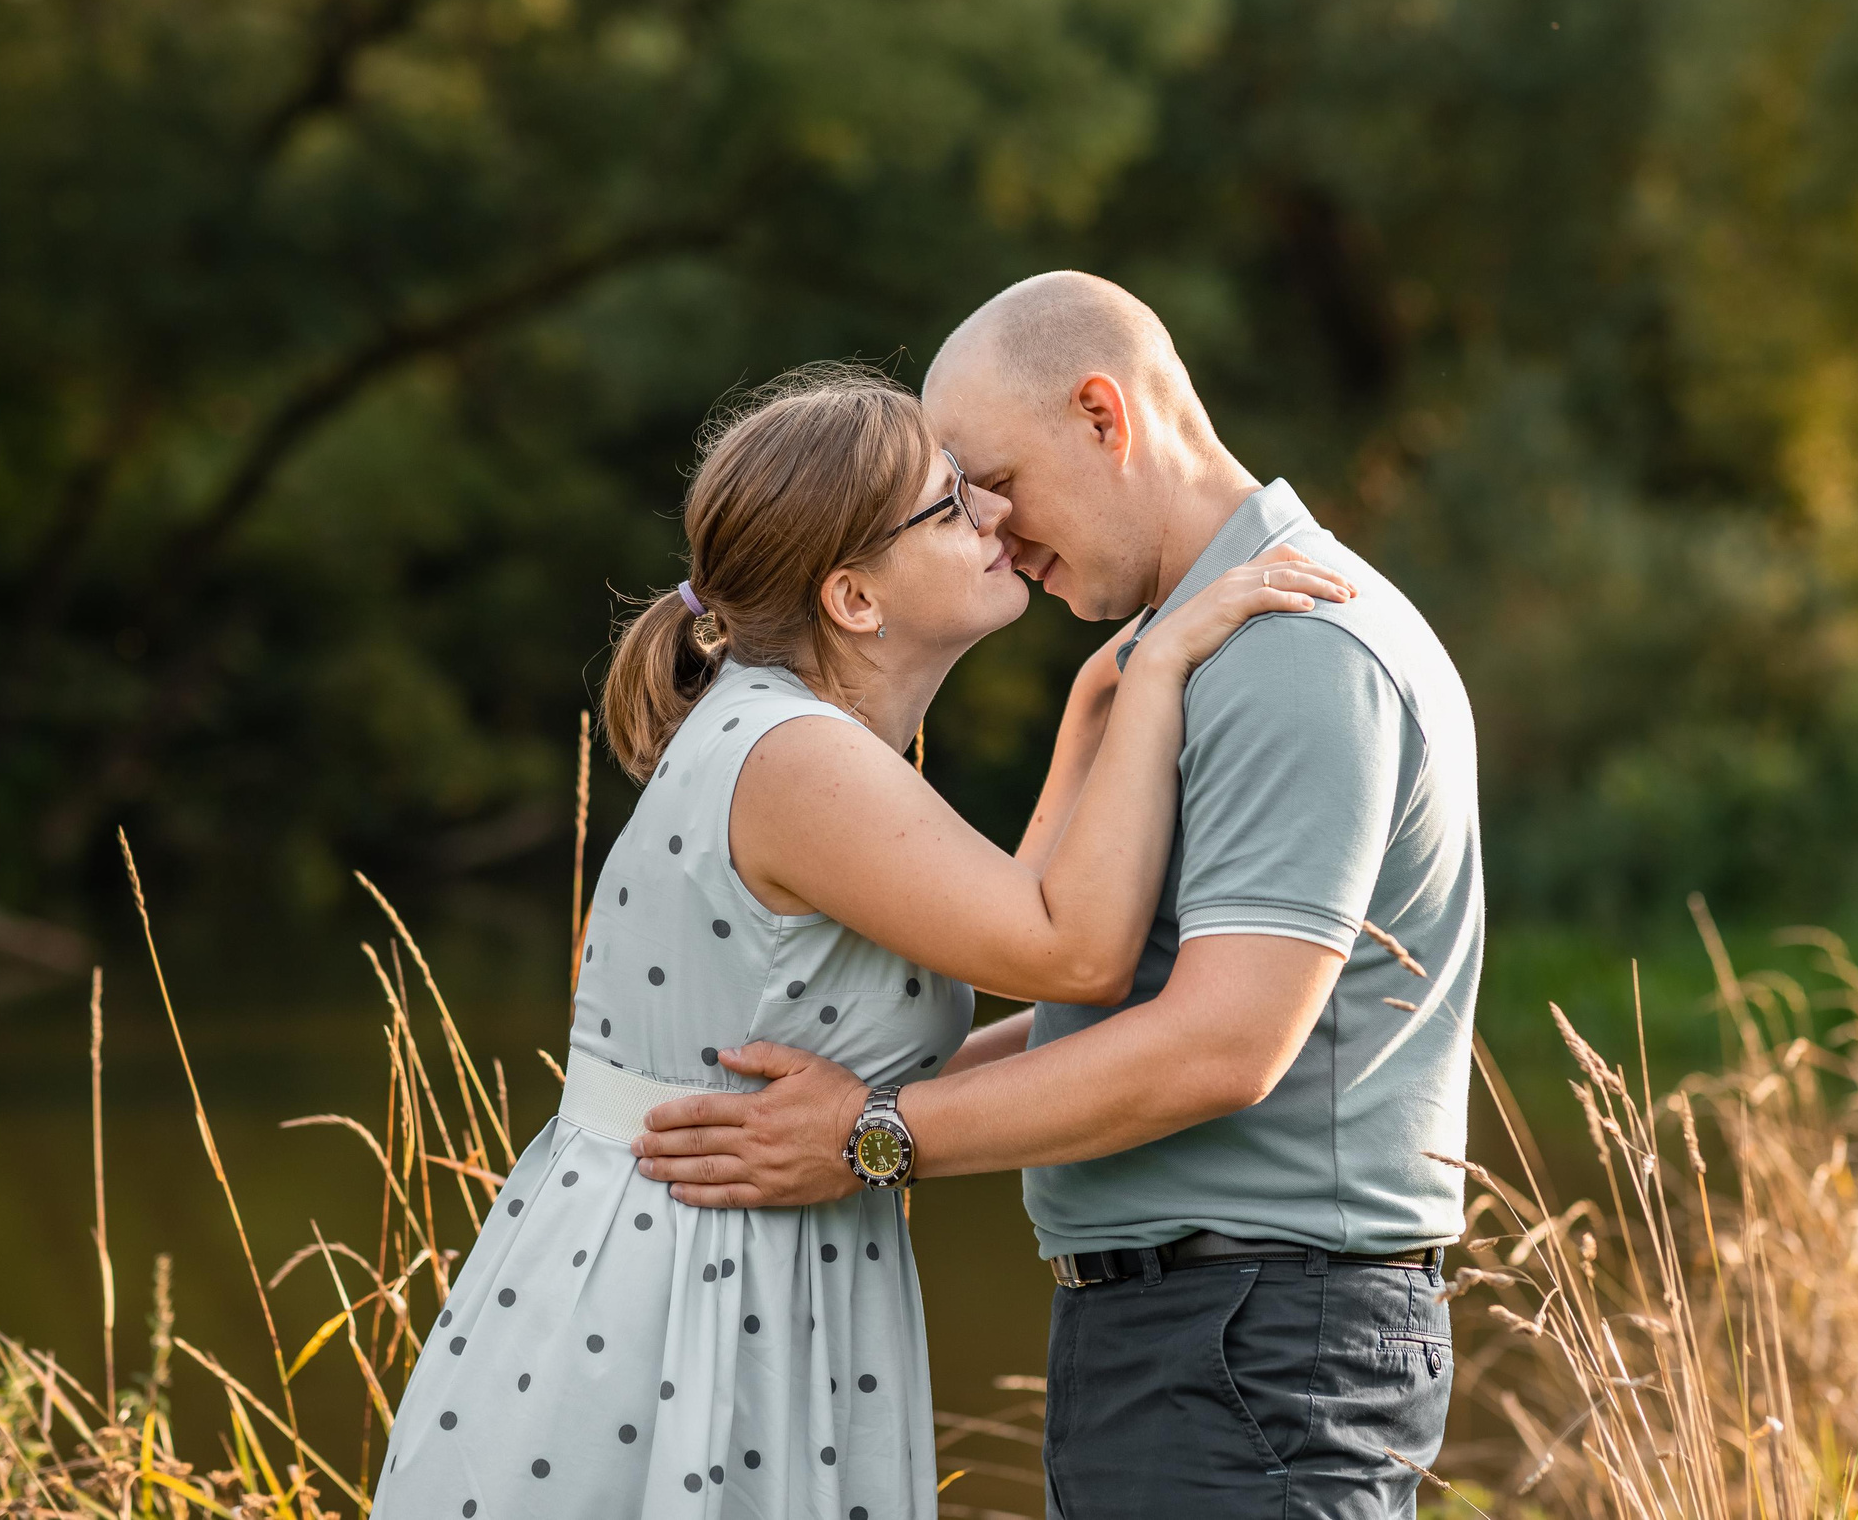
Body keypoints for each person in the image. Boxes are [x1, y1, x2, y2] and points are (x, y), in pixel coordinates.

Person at [372, 365, 1350, 1519]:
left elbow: (1019, 910)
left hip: (739, 1254)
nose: (993, 512)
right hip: (678, 1289)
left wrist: (1098, 704)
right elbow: (1071, 950)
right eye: (950, 505)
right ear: (852, 600)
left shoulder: (811, 744)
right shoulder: (795, 760)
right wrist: (1164, 671)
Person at [632, 274, 1486, 1518]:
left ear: (1104, 415)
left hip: (1252, 1340)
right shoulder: (1192, 648)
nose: (988, 527)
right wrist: (830, 1112)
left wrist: (874, 1139)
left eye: (995, 480)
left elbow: (1220, 1045)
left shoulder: (1292, 646)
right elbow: (1116, 1005)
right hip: (1200, 1331)